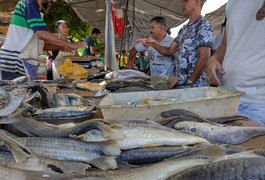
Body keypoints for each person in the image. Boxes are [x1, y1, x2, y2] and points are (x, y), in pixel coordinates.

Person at [207, 0, 265, 126]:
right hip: (226, 98)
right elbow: (225, 44)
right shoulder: (232, 3)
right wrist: (214, 59)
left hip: (258, 103)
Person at [0, 0, 87, 80]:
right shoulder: (30, 2)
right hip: (15, 62)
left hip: (24, 62)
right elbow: (41, 34)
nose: (54, 1)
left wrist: (61, 47)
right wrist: (68, 44)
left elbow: (40, 44)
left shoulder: (35, 11)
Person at [143, 0, 212, 88]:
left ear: (197, 2)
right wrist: (152, 43)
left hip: (194, 86)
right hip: (180, 83)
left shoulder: (203, 25)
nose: (182, 4)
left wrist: (190, 81)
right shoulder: (183, 30)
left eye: (186, 1)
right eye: (182, 1)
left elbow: (204, 58)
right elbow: (169, 50)